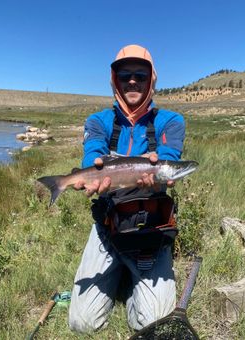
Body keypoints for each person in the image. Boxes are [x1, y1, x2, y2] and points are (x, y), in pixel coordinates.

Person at [69, 44, 186, 333]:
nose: (132, 81)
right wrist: (91, 170)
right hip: (108, 224)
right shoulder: (98, 121)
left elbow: (169, 159)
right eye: (125, 76)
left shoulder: (171, 121)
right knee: (81, 324)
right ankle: (122, 271)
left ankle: (129, 278)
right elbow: (92, 154)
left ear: (151, 80)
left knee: (152, 324)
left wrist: (161, 169)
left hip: (151, 227)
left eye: (140, 75)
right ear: (115, 81)